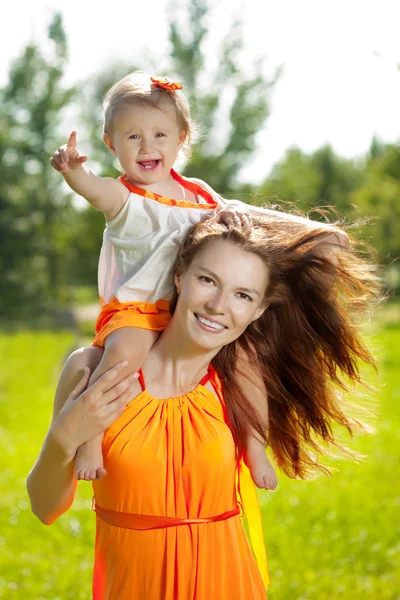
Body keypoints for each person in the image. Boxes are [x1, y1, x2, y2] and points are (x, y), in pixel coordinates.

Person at [27, 215, 379, 599]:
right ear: (179, 275)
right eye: (207, 280)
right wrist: (64, 438)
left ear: (259, 309)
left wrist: (218, 210)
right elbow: (46, 509)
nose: (217, 306)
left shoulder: (239, 380)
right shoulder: (93, 370)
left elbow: (333, 243)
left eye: (242, 295)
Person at [49, 70, 348, 488]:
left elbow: (241, 215)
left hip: (190, 307)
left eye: (159, 135)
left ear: (181, 138)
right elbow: (92, 188)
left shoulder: (202, 194)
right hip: (138, 307)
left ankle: (256, 444)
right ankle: (91, 439)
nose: (147, 146)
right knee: (123, 357)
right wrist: (71, 171)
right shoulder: (124, 197)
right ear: (111, 144)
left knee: (246, 362)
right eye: (132, 137)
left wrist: (301, 231)